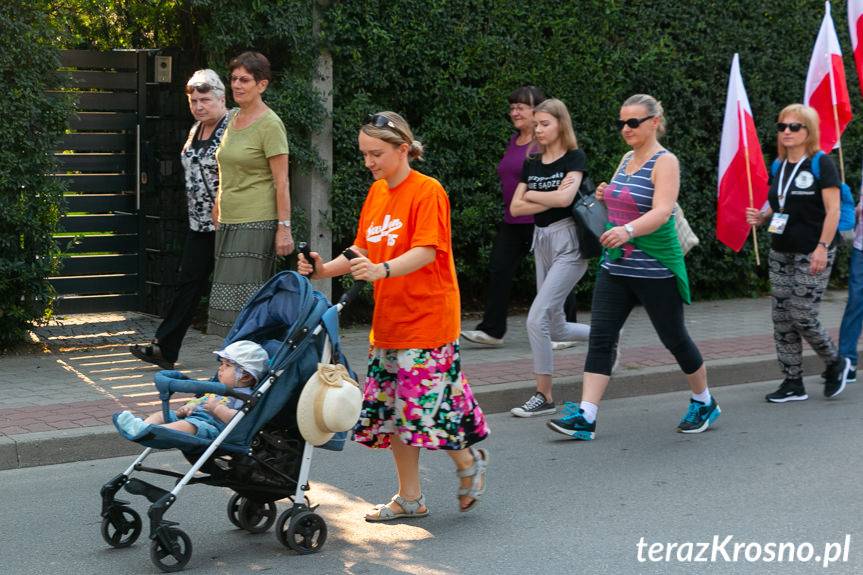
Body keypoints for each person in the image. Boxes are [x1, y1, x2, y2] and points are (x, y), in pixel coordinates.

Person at [297, 111, 490, 519]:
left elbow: (425, 251)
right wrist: (325, 269)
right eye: (365, 154)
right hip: (390, 321)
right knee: (397, 413)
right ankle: (411, 498)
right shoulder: (377, 192)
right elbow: (362, 249)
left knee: (423, 410)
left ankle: (468, 462)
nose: (369, 162)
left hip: (428, 319)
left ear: (404, 149)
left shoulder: (427, 191)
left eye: (377, 153)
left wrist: (382, 270)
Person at [547, 94, 720, 439]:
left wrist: (627, 230)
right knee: (601, 338)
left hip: (655, 267)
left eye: (633, 122)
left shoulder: (665, 161)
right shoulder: (627, 158)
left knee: (675, 339)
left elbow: (662, 210)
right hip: (618, 267)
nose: (625, 129)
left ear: (654, 122)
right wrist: (604, 194)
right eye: (621, 123)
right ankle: (587, 416)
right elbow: (621, 200)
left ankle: (704, 401)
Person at [745, 103, 851, 402]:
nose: (787, 132)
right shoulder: (779, 165)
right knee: (781, 317)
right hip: (781, 250)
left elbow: (832, 212)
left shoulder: (821, 163)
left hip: (813, 250)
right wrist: (762, 215)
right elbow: (779, 201)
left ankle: (835, 361)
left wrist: (822, 247)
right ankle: (793, 382)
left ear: (809, 132)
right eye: (782, 127)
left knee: (801, 313)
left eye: (795, 127)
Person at [461, 86, 580, 349]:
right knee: (499, 269)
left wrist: (534, 199)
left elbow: (558, 181)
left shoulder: (545, 143)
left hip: (543, 220)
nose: (514, 112)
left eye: (521, 107)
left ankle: (563, 330)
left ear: (537, 110)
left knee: (553, 276)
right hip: (513, 219)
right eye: (512, 107)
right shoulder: (514, 141)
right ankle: (493, 331)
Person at [130, 69, 231, 369]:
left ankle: (252, 353)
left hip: (230, 222)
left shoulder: (234, 126)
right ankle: (165, 349)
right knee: (187, 284)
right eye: (193, 101)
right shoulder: (195, 129)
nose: (199, 106)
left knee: (236, 288)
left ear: (221, 98)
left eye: (205, 99)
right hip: (199, 223)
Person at [506, 98, 591, 417]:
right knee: (554, 327)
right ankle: (609, 335)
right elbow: (515, 208)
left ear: (560, 124)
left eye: (545, 124)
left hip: (569, 241)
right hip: (541, 241)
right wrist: (548, 198)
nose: (538, 130)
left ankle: (544, 395)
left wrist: (531, 195)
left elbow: (566, 198)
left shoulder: (575, 157)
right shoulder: (532, 161)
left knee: (535, 318)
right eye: (536, 124)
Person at [207, 52, 293, 337]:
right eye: (233, 79)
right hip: (229, 219)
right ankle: (234, 364)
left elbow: (282, 182)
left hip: (257, 222)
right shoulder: (231, 118)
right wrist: (218, 201)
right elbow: (227, 165)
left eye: (245, 79)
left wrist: (284, 228)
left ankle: (248, 365)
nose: (237, 85)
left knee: (245, 300)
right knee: (225, 297)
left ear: (262, 85)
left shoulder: (270, 124)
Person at [116, 340, 268, 439]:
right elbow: (200, 400)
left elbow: (240, 420)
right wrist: (189, 406)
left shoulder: (244, 396)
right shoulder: (217, 388)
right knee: (162, 414)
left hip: (212, 427)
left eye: (227, 365)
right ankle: (141, 428)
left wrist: (218, 408)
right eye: (221, 363)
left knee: (186, 426)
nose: (220, 369)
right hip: (194, 417)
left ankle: (153, 432)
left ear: (246, 376)